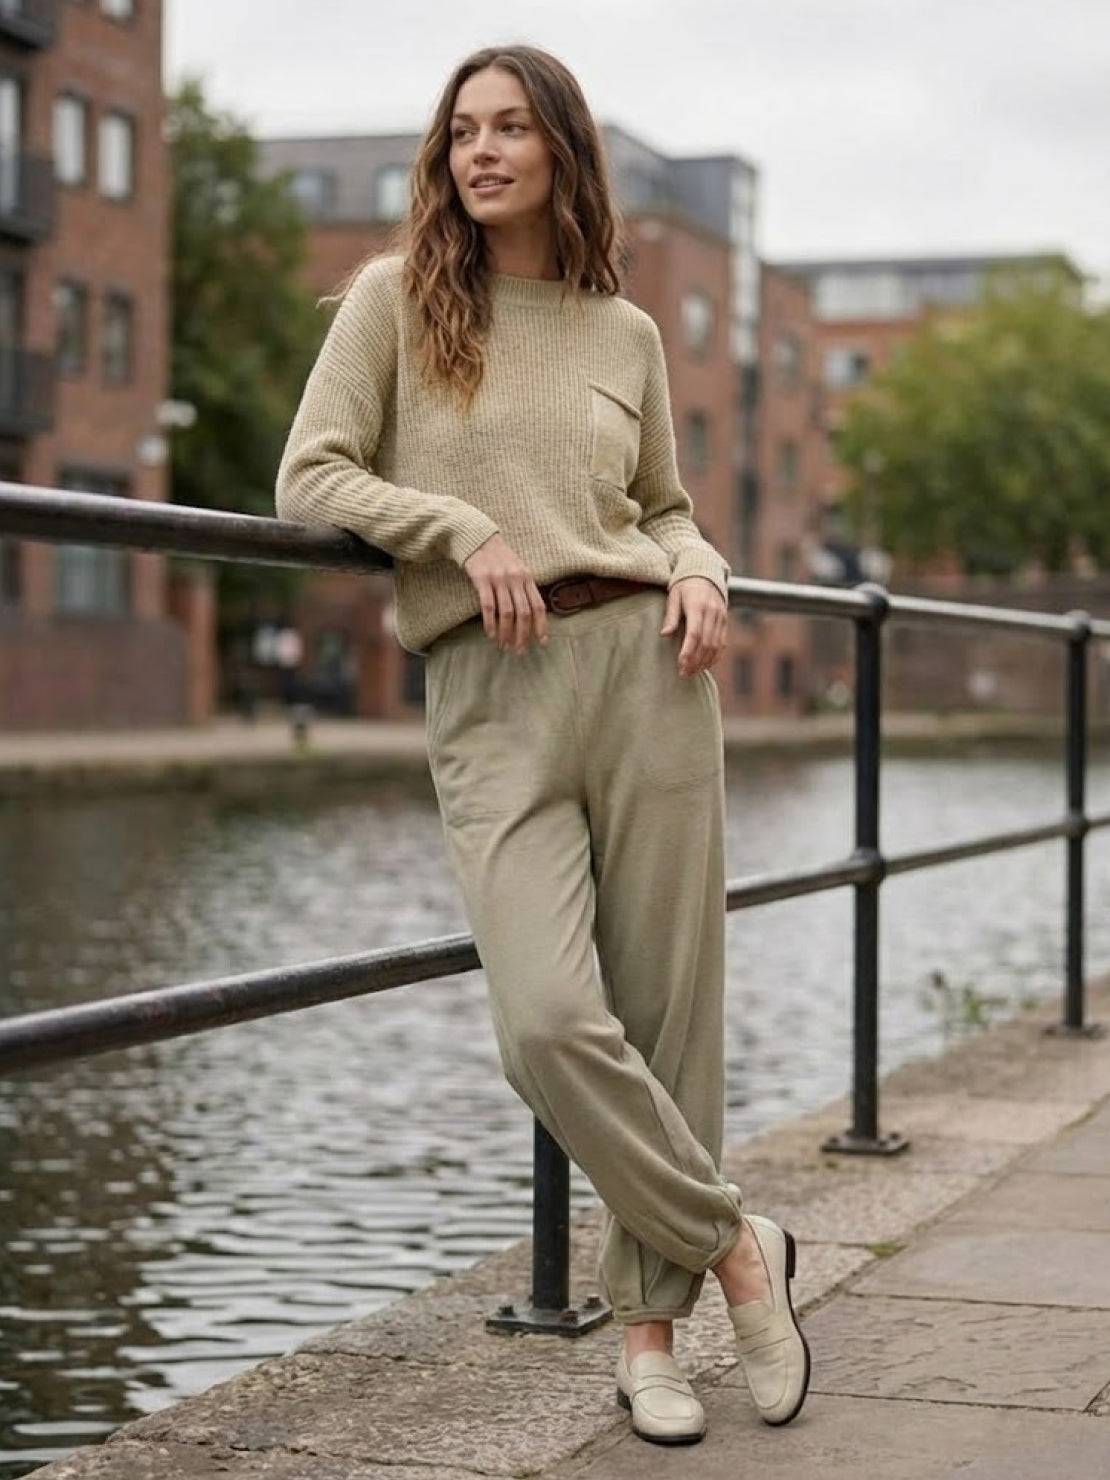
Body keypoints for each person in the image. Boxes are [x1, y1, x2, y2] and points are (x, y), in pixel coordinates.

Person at [274, 42, 810, 1445]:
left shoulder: (621, 331)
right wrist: (458, 529)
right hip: (492, 687)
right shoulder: (396, 302)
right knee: (551, 1023)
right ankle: (738, 1244)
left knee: (666, 1015)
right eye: (463, 131)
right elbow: (310, 472)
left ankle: (648, 1346)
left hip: (645, 671)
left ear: (561, 149)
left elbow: (666, 504)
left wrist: (701, 567)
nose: (482, 151)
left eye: (512, 128)